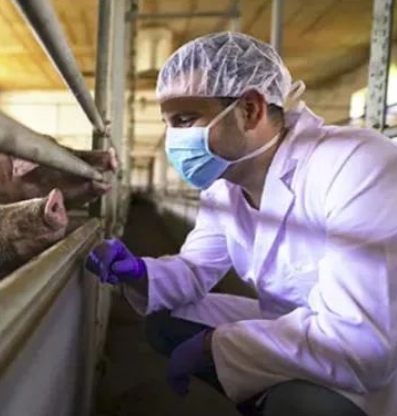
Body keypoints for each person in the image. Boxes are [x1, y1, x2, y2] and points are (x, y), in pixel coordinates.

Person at [86, 32, 397, 416]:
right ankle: (262, 394)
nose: (174, 140)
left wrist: (212, 346)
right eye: (169, 124)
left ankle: (276, 398)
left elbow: (361, 345)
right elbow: (195, 269)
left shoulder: (355, 164)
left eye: (185, 120)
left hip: (372, 359)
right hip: (294, 324)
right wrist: (138, 273)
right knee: (166, 319)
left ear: (250, 109)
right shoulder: (224, 187)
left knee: (299, 406)